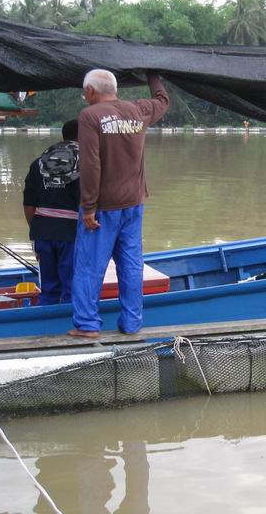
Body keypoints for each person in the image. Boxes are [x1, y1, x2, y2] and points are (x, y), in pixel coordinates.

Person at [69, 69, 169, 338]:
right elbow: (162, 100)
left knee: (89, 265)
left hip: (103, 208)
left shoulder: (90, 116)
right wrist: (153, 75)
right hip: (134, 204)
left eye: (84, 91)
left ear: (90, 91)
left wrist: (89, 207)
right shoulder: (139, 110)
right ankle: (132, 323)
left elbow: (91, 164)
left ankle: (88, 325)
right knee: (131, 265)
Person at [23, 119, 80, 305]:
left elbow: (29, 204)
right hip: (71, 234)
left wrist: (37, 232)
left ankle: (47, 330)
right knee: (72, 289)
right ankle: (72, 329)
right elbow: (89, 203)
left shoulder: (38, 163)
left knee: (48, 290)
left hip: (43, 232)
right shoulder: (85, 161)